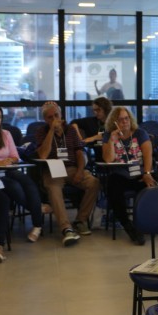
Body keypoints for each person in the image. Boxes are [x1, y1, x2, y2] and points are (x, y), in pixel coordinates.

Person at [35, 102, 100, 246]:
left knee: (93, 182)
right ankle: (66, 228)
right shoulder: (41, 131)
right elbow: (43, 154)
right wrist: (52, 131)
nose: (54, 119)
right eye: (50, 117)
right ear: (45, 119)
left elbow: (79, 152)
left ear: (61, 115)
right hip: (52, 169)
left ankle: (80, 220)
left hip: (71, 168)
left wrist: (80, 170)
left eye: (56, 115)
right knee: (54, 189)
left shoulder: (70, 130)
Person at [0, 105, 44, 242]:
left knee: (28, 182)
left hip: (9, 170)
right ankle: (37, 209)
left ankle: (37, 225)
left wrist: (10, 160)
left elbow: (15, 156)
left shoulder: (6, 134)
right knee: (15, 188)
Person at [102, 107, 157, 245]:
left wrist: (147, 173)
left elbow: (147, 156)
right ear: (114, 122)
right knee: (113, 186)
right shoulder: (109, 135)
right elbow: (108, 159)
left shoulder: (140, 133)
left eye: (126, 118)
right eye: (120, 119)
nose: (124, 122)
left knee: (149, 187)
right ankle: (128, 225)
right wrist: (112, 141)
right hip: (120, 175)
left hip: (140, 174)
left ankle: (143, 224)